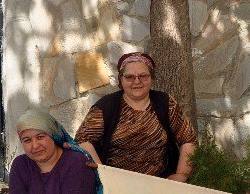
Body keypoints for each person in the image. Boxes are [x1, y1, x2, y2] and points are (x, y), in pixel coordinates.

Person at [77, 52, 197, 181]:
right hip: (118, 183)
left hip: (161, 182)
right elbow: (83, 140)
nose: (137, 81)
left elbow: (188, 139)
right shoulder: (105, 106)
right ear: (121, 79)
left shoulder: (166, 103)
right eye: (129, 77)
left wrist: (181, 175)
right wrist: (102, 175)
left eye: (143, 76)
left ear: (151, 77)